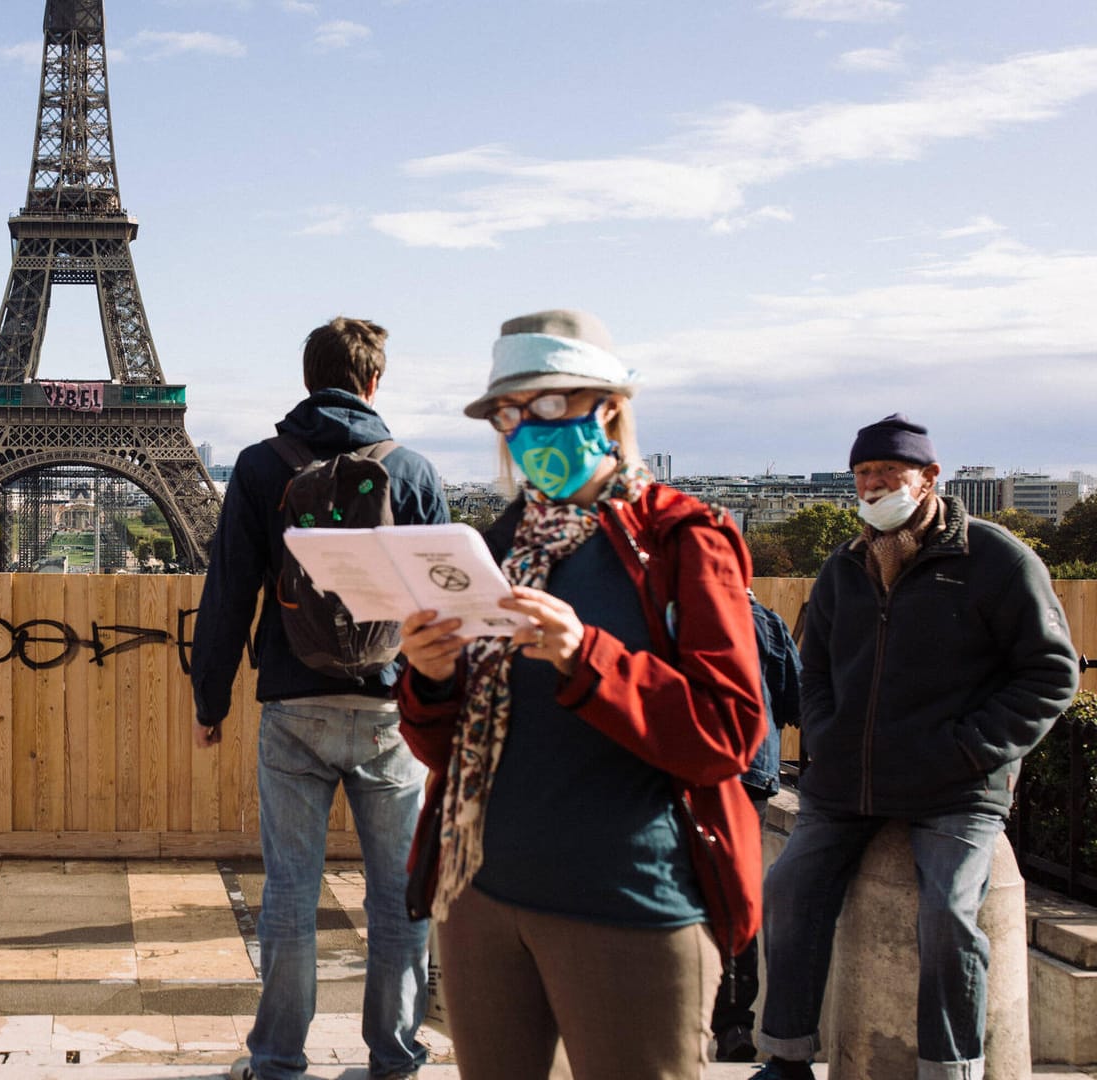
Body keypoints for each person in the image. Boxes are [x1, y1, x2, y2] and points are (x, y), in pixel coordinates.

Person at [396, 309, 766, 1080]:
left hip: (627, 902)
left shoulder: (682, 538)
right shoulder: (495, 549)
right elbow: (451, 748)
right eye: (509, 413)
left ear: (610, 407)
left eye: (549, 406)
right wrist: (429, 677)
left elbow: (729, 733)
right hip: (481, 898)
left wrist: (586, 656)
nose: (527, 428)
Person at [752, 415, 1079, 1080]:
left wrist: (969, 749)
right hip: (849, 782)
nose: (873, 488)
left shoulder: (995, 559)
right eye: (863, 477)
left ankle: (949, 1070)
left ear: (930, 478)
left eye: (888, 476)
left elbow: (1052, 674)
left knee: (949, 918)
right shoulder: (844, 566)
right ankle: (785, 1060)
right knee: (788, 890)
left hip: (956, 787)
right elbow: (816, 669)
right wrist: (826, 732)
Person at [192, 316, 447, 1080]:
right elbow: (441, 610)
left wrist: (210, 702)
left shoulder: (261, 467)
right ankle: (396, 1057)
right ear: (376, 382)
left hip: (293, 706)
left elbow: (229, 593)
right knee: (399, 898)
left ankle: (275, 1059)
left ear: (308, 380)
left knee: (290, 895)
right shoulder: (414, 472)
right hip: (389, 710)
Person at [713, 597, 802, 1062]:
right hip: (747, 773)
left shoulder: (653, 600)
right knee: (735, 901)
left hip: (673, 768)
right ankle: (732, 1027)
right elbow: (797, 701)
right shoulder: (763, 619)